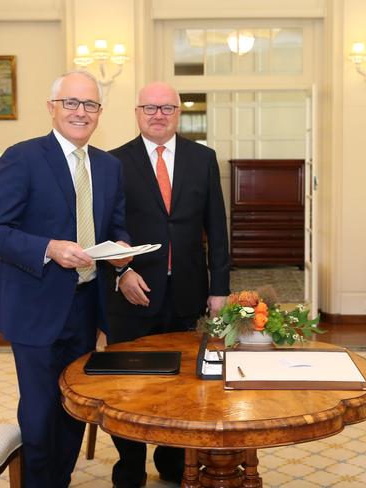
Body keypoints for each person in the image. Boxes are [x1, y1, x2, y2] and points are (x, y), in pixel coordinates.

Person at [0, 70, 131, 488]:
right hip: (34, 305)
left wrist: (123, 254)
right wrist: (49, 248)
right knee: (41, 408)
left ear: (100, 112)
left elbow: (117, 227)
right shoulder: (22, 157)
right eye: (72, 103)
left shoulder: (109, 166)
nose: (81, 113)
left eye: (91, 105)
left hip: (86, 305)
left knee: (73, 404)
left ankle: (59, 480)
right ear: (52, 107)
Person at [105, 81, 231, 487]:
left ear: (179, 113)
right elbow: (106, 227)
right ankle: (129, 463)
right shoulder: (113, 162)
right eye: (149, 108)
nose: (158, 115)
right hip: (132, 289)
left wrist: (219, 289)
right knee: (130, 383)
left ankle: (172, 459)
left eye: (167, 108)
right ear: (137, 112)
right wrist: (121, 271)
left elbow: (217, 227)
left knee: (180, 384)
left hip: (187, 291)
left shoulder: (203, 158)